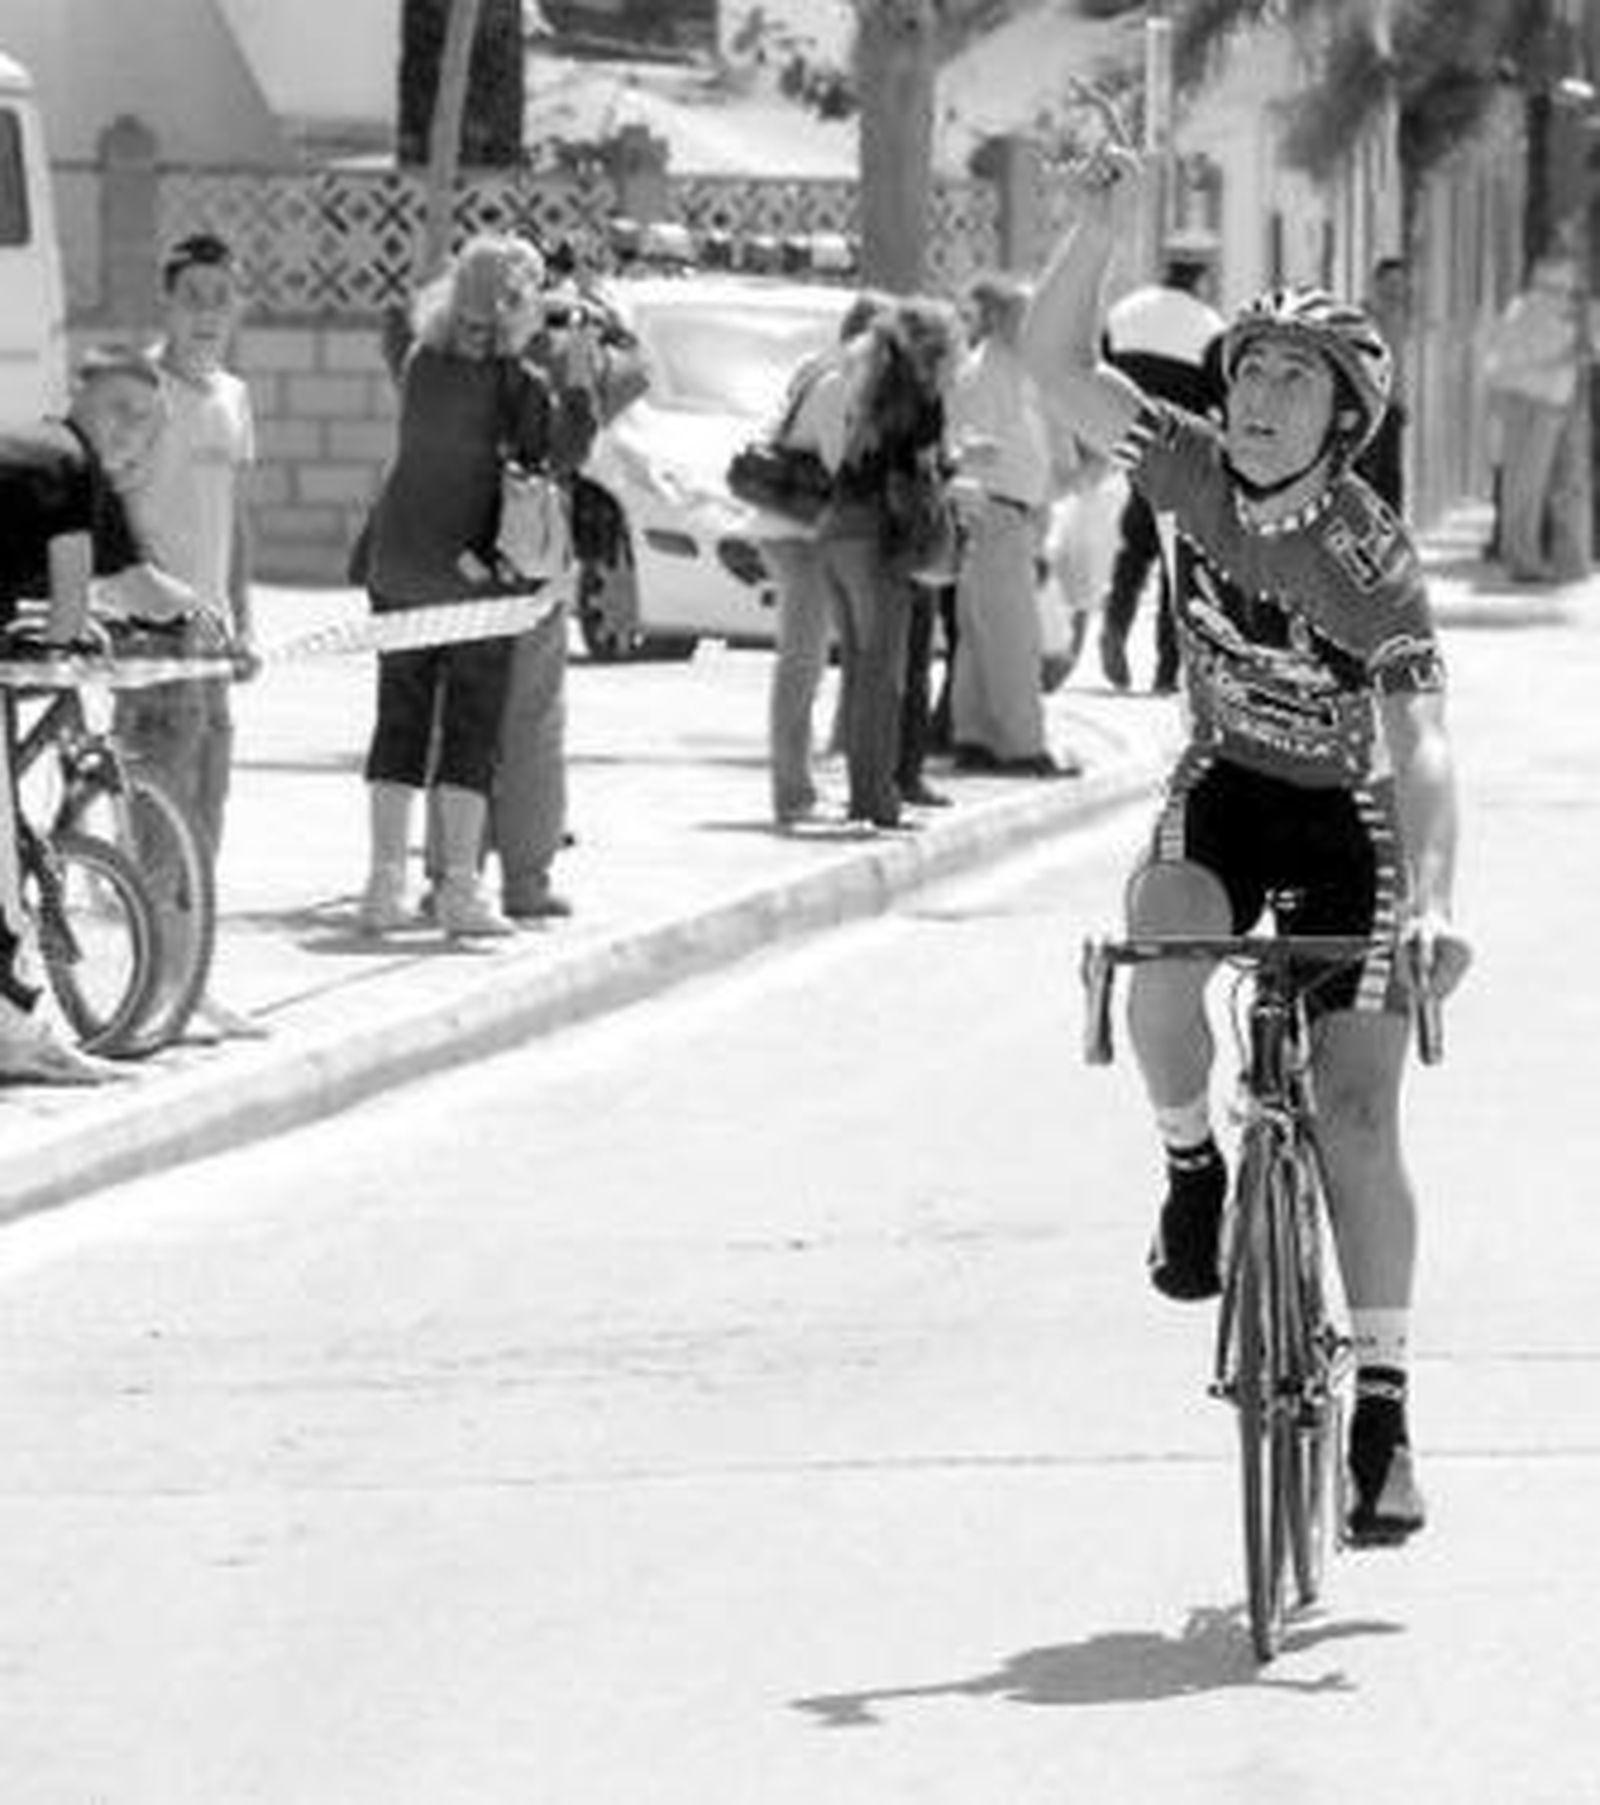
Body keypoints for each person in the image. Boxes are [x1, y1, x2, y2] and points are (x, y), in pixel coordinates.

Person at [1023, 144, 1470, 1546]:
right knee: (1161, 964)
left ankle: (1384, 1414)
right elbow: (1053, 365)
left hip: (1350, 821)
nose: (1259, 396)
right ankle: (1192, 1173)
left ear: (1344, 421)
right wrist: (1092, 233)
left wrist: (1436, 907)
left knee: (1355, 1111)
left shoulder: (1368, 559)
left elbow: (1427, 748)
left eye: (1294, 381)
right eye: (1250, 370)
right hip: (1224, 782)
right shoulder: (1185, 467)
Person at [357, 234, 593, 941]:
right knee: (468, 731)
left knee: (398, 722)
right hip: (471, 580)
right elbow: (557, 455)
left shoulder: (422, 361)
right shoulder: (515, 382)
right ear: (516, 304)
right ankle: (461, 886)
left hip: (395, 565)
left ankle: (383, 884)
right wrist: (576, 375)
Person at [0, 344, 201, 1081]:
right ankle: (14, 1037)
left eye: (144, 420)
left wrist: (197, 617)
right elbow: (73, 594)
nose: (128, 430)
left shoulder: (60, 458)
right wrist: (73, 636)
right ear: (77, 397)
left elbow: (129, 583)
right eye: (117, 410)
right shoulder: (65, 463)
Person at [114, 233, 262, 1039]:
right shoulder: (139, 391)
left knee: (205, 815)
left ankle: (189, 978)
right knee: (156, 822)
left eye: (223, 296)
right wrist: (154, 603)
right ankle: (153, 990)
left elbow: (234, 523)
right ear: (167, 302)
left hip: (211, 645)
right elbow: (112, 519)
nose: (209, 311)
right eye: (194, 295)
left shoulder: (233, 398)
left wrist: (242, 620)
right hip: (149, 642)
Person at [752, 292, 891, 828]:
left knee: (805, 661)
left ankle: (801, 787)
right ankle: (793, 795)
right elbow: (842, 468)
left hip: (794, 532)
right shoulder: (836, 385)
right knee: (802, 664)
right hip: (798, 535)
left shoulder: (816, 368)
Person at [946, 272, 1074, 776]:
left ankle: (975, 736)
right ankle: (1023, 746)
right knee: (1012, 641)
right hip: (995, 513)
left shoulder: (1012, 371)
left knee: (983, 641)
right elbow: (980, 450)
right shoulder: (989, 374)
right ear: (1004, 320)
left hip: (1009, 515)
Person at [1095, 240, 1225, 693]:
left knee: (1134, 547)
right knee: (1178, 559)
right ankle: (1168, 669)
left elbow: (1098, 368)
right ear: (1202, 275)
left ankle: (1115, 623)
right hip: (1180, 449)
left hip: (1128, 440)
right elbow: (1219, 401)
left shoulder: (1125, 311)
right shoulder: (1210, 327)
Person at [1483, 252, 1586, 584]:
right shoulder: (1530, 311)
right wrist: (1570, 350)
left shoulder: (1543, 311)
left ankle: (1557, 560)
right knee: (1525, 486)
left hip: (1552, 403)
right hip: (1533, 404)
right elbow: (1512, 357)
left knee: (1548, 485)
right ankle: (1523, 560)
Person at [1355, 255, 1411, 515]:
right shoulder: (1362, 318)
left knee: (1392, 477)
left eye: (1401, 284)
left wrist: (1401, 402)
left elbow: (1398, 366)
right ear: (1376, 283)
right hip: (1368, 407)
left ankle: (1391, 534)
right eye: (1390, 283)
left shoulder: (1398, 317)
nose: (1396, 290)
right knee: (1369, 476)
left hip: (1393, 407)